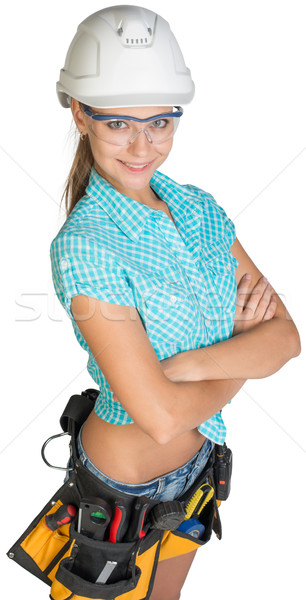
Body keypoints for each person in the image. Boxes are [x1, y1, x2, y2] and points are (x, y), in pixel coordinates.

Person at [50, 6, 300, 600]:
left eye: (161, 122)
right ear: (81, 115)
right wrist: (242, 353)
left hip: (193, 475)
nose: (143, 145)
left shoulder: (197, 210)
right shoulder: (85, 248)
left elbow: (287, 338)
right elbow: (159, 418)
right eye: (119, 123)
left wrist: (186, 368)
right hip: (120, 490)